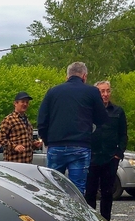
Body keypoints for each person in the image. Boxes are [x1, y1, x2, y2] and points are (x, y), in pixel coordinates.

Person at [37, 62, 109, 194]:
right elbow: (102, 119)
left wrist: (48, 141)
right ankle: (74, 214)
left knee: (54, 189)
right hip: (80, 145)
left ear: (67, 76)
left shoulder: (52, 92)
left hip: (56, 145)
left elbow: (42, 120)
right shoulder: (92, 92)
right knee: (77, 189)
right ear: (84, 76)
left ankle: (54, 214)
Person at [83, 81, 128, 221]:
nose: (105, 94)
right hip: (91, 158)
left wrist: (118, 153)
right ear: (97, 93)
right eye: (102, 91)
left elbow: (123, 134)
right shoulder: (88, 110)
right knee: (90, 193)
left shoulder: (118, 111)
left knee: (107, 193)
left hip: (110, 158)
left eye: (108, 91)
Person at [0, 91, 43, 162]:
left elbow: (25, 142)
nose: (25, 104)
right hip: (13, 162)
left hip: (27, 162)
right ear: (15, 103)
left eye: (27, 102)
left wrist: (34, 145)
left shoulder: (27, 121)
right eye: (23, 102)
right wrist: (15, 147)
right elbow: (1, 139)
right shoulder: (9, 119)